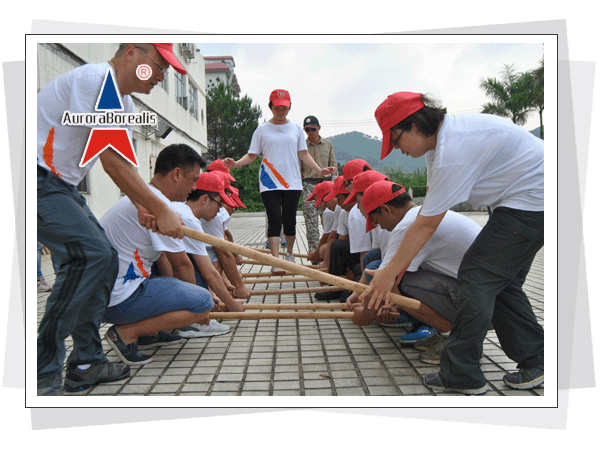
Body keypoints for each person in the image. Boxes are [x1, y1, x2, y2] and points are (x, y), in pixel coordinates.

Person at [362, 92, 544, 394]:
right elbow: (432, 209)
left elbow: (426, 224)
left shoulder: (452, 150)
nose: (396, 149)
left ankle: (462, 374)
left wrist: (387, 272)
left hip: (536, 198)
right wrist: (390, 270)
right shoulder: (441, 146)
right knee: (500, 283)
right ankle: (537, 360)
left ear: (415, 125)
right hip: (526, 199)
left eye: (395, 140)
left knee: (476, 276)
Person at [37, 43, 188, 395]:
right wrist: (162, 208)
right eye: (159, 65)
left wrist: (142, 204)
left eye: (167, 71)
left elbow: (123, 163)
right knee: (92, 256)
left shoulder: (125, 102)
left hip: (62, 184)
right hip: (36, 175)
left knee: (101, 262)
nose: (162, 76)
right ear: (132, 53)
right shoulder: (96, 79)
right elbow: (111, 161)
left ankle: (86, 363)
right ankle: (42, 372)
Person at [99, 144, 216, 366]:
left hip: (107, 294)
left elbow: (161, 259)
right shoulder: (161, 207)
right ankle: (126, 334)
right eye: (193, 180)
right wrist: (200, 308)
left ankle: (149, 334)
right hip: (118, 299)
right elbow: (181, 265)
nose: (194, 188)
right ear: (177, 174)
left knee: (170, 285)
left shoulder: (142, 197)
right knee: (202, 300)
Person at [348, 180, 482, 364]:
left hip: (480, 304)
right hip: (486, 298)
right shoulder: (424, 214)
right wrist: (395, 305)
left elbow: (383, 282)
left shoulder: (407, 226)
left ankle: (458, 341)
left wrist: (365, 314)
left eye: (376, 220)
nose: (379, 227)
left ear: (386, 209)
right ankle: (453, 336)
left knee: (400, 283)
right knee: (398, 280)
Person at [223, 89, 336, 274]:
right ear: (271, 106)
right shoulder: (262, 130)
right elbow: (252, 155)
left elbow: (303, 153)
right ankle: (276, 260)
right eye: (277, 106)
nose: (280, 110)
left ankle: (289, 255)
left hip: (292, 181)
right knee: (274, 219)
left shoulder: (296, 129)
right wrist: (235, 164)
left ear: (289, 107)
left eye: (284, 107)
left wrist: (319, 170)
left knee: (289, 220)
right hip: (269, 182)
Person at [167, 171, 244, 338]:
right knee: (196, 265)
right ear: (204, 199)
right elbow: (207, 272)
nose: (220, 211)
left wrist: (215, 291)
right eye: (219, 204)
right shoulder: (189, 219)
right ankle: (191, 323)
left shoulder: (182, 210)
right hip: (142, 280)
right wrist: (231, 305)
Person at [301, 115, 337, 254]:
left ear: (319, 128)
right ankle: (313, 252)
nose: (310, 132)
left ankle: (327, 252)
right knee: (311, 223)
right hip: (309, 185)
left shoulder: (328, 144)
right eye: (307, 129)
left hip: (326, 185)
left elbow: (333, 166)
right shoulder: (302, 147)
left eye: (313, 129)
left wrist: (336, 188)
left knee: (328, 220)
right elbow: (299, 169)